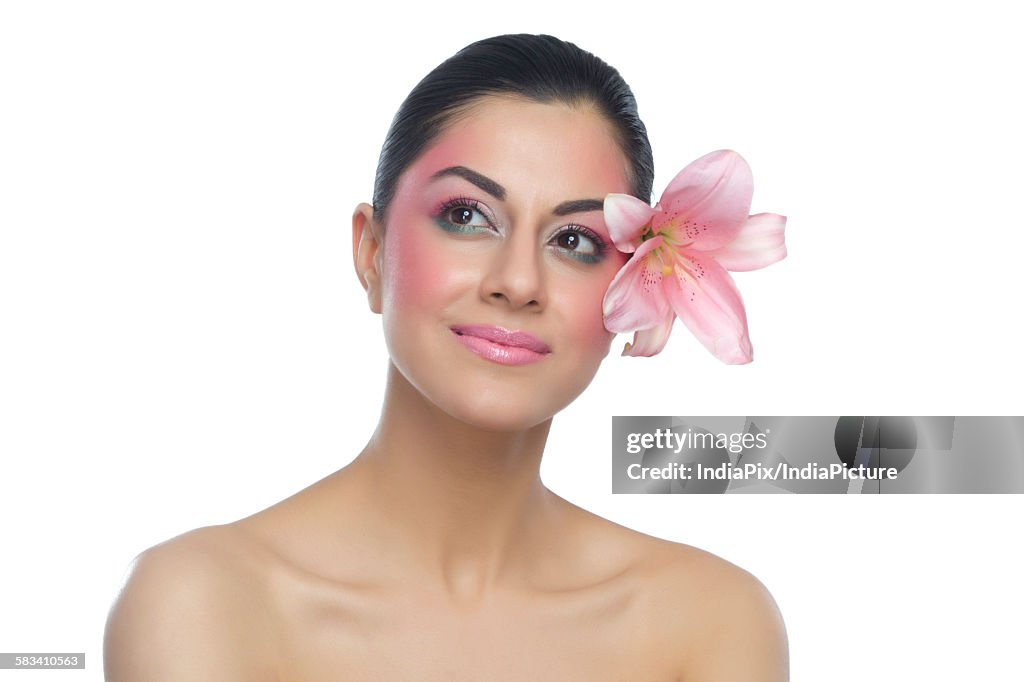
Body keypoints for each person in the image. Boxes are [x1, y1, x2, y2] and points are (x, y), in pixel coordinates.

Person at [104, 33, 788, 680]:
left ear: (635, 286)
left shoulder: (711, 620)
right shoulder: (204, 601)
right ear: (371, 254)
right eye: (466, 215)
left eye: (575, 241)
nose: (517, 282)